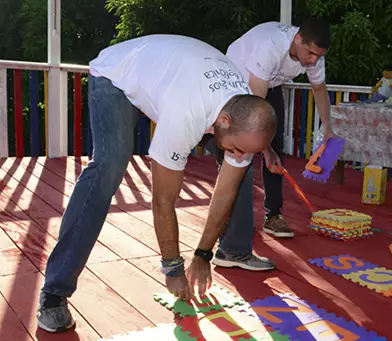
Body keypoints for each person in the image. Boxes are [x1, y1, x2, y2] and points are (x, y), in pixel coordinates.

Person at [37, 34, 279, 332]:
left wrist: (203, 254)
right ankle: (54, 291)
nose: (239, 155)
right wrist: (173, 266)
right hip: (118, 74)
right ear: (225, 120)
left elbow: (225, 190)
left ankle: (230, 250)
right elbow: (163, 199)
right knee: (109, 165)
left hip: (172, 78)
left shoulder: (245, 114)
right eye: (237, 149)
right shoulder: (186, 113)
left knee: (241, 176)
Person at [197, 18, 335, 272]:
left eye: (318, 56)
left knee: (275, 148)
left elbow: (319, 89)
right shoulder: (270, 45)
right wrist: (264, 148)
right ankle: (231, 247)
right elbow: (252, 117)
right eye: (310, 53)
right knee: (241, 159)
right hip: (236, 83)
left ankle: (273, 216)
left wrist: (327, 127)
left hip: (268, 85)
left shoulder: (313, 55)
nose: (312, 61)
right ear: (297, 39)